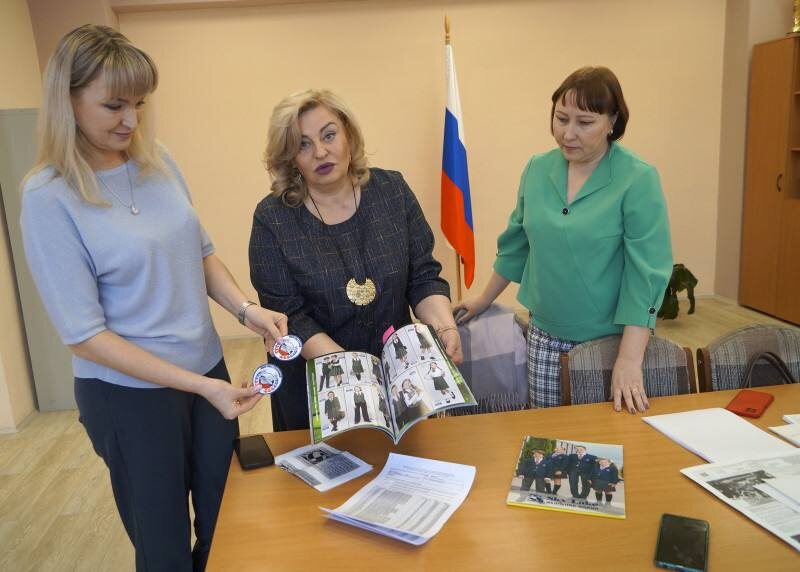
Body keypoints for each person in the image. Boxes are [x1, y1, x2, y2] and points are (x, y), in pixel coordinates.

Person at [18, 25, 287, 572]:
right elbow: (84, 336)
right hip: (130, 397)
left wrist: (246, 310)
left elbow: (200, 252)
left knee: (226, 525)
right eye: (114, 105)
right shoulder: (48, 195)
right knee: (164, 548)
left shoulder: (157, 160)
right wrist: (200, 386)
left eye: (140, 103)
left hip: (207, 375)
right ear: (67, 101)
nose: (131, 120)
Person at [455, 67, 672, 413]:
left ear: (613, 121)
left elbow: (645, 274)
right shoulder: (537, 169)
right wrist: (484, 299)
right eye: (561, 118)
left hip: (612, 340)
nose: (568, 134)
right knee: (549, 432)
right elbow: (517, 245)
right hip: (546, 335)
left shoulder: (637, 178)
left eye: (584, 123)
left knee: (607, 433)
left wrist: (630, 359)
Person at [250, 89, 462, 431]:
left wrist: (445, 326)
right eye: (303, 145)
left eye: (329, 135)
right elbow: (289, 317)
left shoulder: (392, 190)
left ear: (349, 134)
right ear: (290, 158)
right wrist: (357, 375)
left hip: (399, 374)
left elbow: (423, 276)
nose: (320, 152)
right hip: (318, 383)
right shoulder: (272, 218)